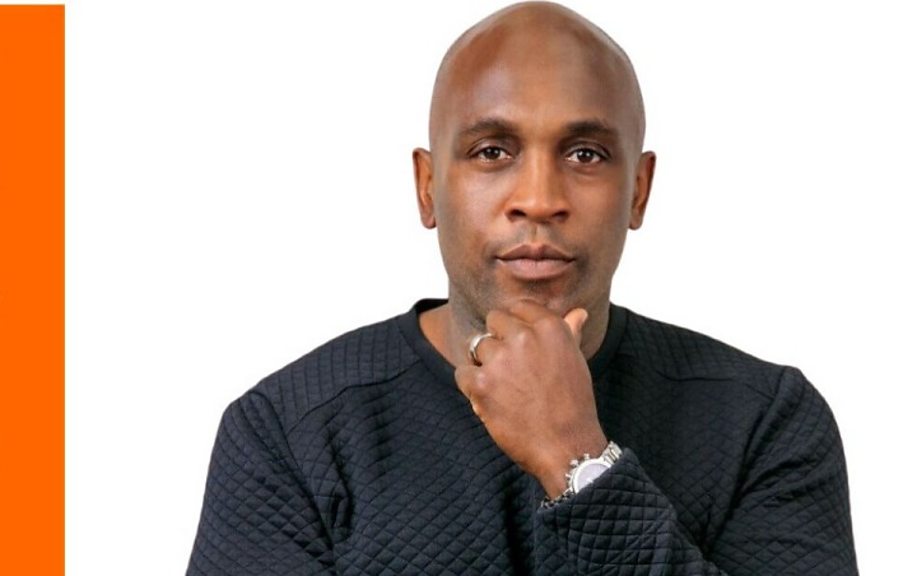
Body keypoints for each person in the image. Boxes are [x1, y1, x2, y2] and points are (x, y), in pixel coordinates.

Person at [187, 2, 857, 574]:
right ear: (428, 187)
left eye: (585, 154)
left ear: (639, 190)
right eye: (492, 152)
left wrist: (579, 461)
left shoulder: (765, 422)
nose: (538, 199)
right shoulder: (288, 433)